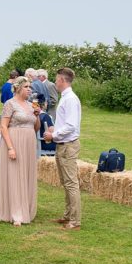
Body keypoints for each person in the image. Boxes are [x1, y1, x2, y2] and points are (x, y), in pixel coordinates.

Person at [0, 77, 38, 227]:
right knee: (15, 174)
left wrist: (37, 115)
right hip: (15, 141)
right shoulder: (9, 104)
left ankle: (27, 208)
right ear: (18, 88)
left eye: (30, 86)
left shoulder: (31, 105)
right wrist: (11, 147)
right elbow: (4, 127)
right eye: (26, 86)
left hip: (29, 143)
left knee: (26, 174)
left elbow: (35, 128)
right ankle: (16, 213)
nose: (29, 89)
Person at [45, 68, 83, 230]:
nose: (55, 82)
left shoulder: (70, 99)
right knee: (66, 182)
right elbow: (65, 123)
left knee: (71, 183)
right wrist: (55, 130)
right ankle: (68, 215)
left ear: (62, 80)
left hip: (68, 145)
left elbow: (71, 125)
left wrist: (53, 135)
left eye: (56, 79)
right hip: (63, 145)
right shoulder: (66, 98)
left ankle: (75, 221)